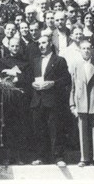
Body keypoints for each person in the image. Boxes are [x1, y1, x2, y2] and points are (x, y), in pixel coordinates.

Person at [29, 34, 70, 167]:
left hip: (53, 100)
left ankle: (58, 157)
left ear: (50, 44)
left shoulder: (59, 60)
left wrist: (53, 83)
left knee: (56, 129)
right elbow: (30, 78)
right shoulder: (35, 61)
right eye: (39, 43)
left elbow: (66, 79)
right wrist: (32, 84)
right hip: (38, 100)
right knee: (39, 130)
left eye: (44, 43)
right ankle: (41, 157)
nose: (41, 46)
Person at [69, 41, 94, 167]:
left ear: (92, 50)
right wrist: (72, 104)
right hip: (81, 101)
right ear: (80, 51)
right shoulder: (76, 65)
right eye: (83, 48)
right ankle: (84, 158)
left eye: (88, 48)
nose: (86, 50)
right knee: (82, 131)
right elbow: (72, 87)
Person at [0, 36, 31, 165]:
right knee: (7, 126)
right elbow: (1, 76)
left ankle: (19, 156)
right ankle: (8, 155)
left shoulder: (26, 62)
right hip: (7, 97)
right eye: (12, 46)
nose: (15, 48)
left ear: (20, 47)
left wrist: (14, 74)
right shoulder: (3, 61)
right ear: (8, 47)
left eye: (17, 46)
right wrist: (14, 74)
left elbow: (28, 78)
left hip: (21, 98)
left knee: (20, 126)